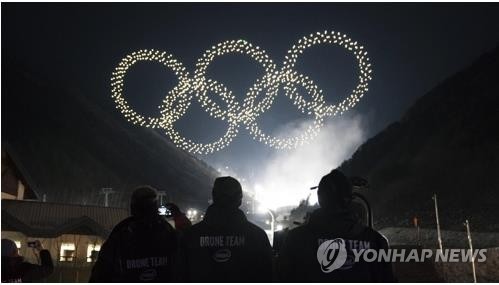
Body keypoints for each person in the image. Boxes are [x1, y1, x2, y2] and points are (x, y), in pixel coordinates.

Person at [278, 169, 395, 282]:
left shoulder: (296, 239)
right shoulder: (376, 241)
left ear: (320, 198)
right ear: (349, 199)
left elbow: (283, 277)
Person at [174, 176, 273, 282]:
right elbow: (269, 276)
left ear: (214, 196)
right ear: (240, 200)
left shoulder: (191, 236)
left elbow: (178, 275)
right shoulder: (257, 236)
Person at [89, 186, 177, 282]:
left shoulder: (120, 233)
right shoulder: (168, 232)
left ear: (133, 208)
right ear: (155, 208)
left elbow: (100, 274)